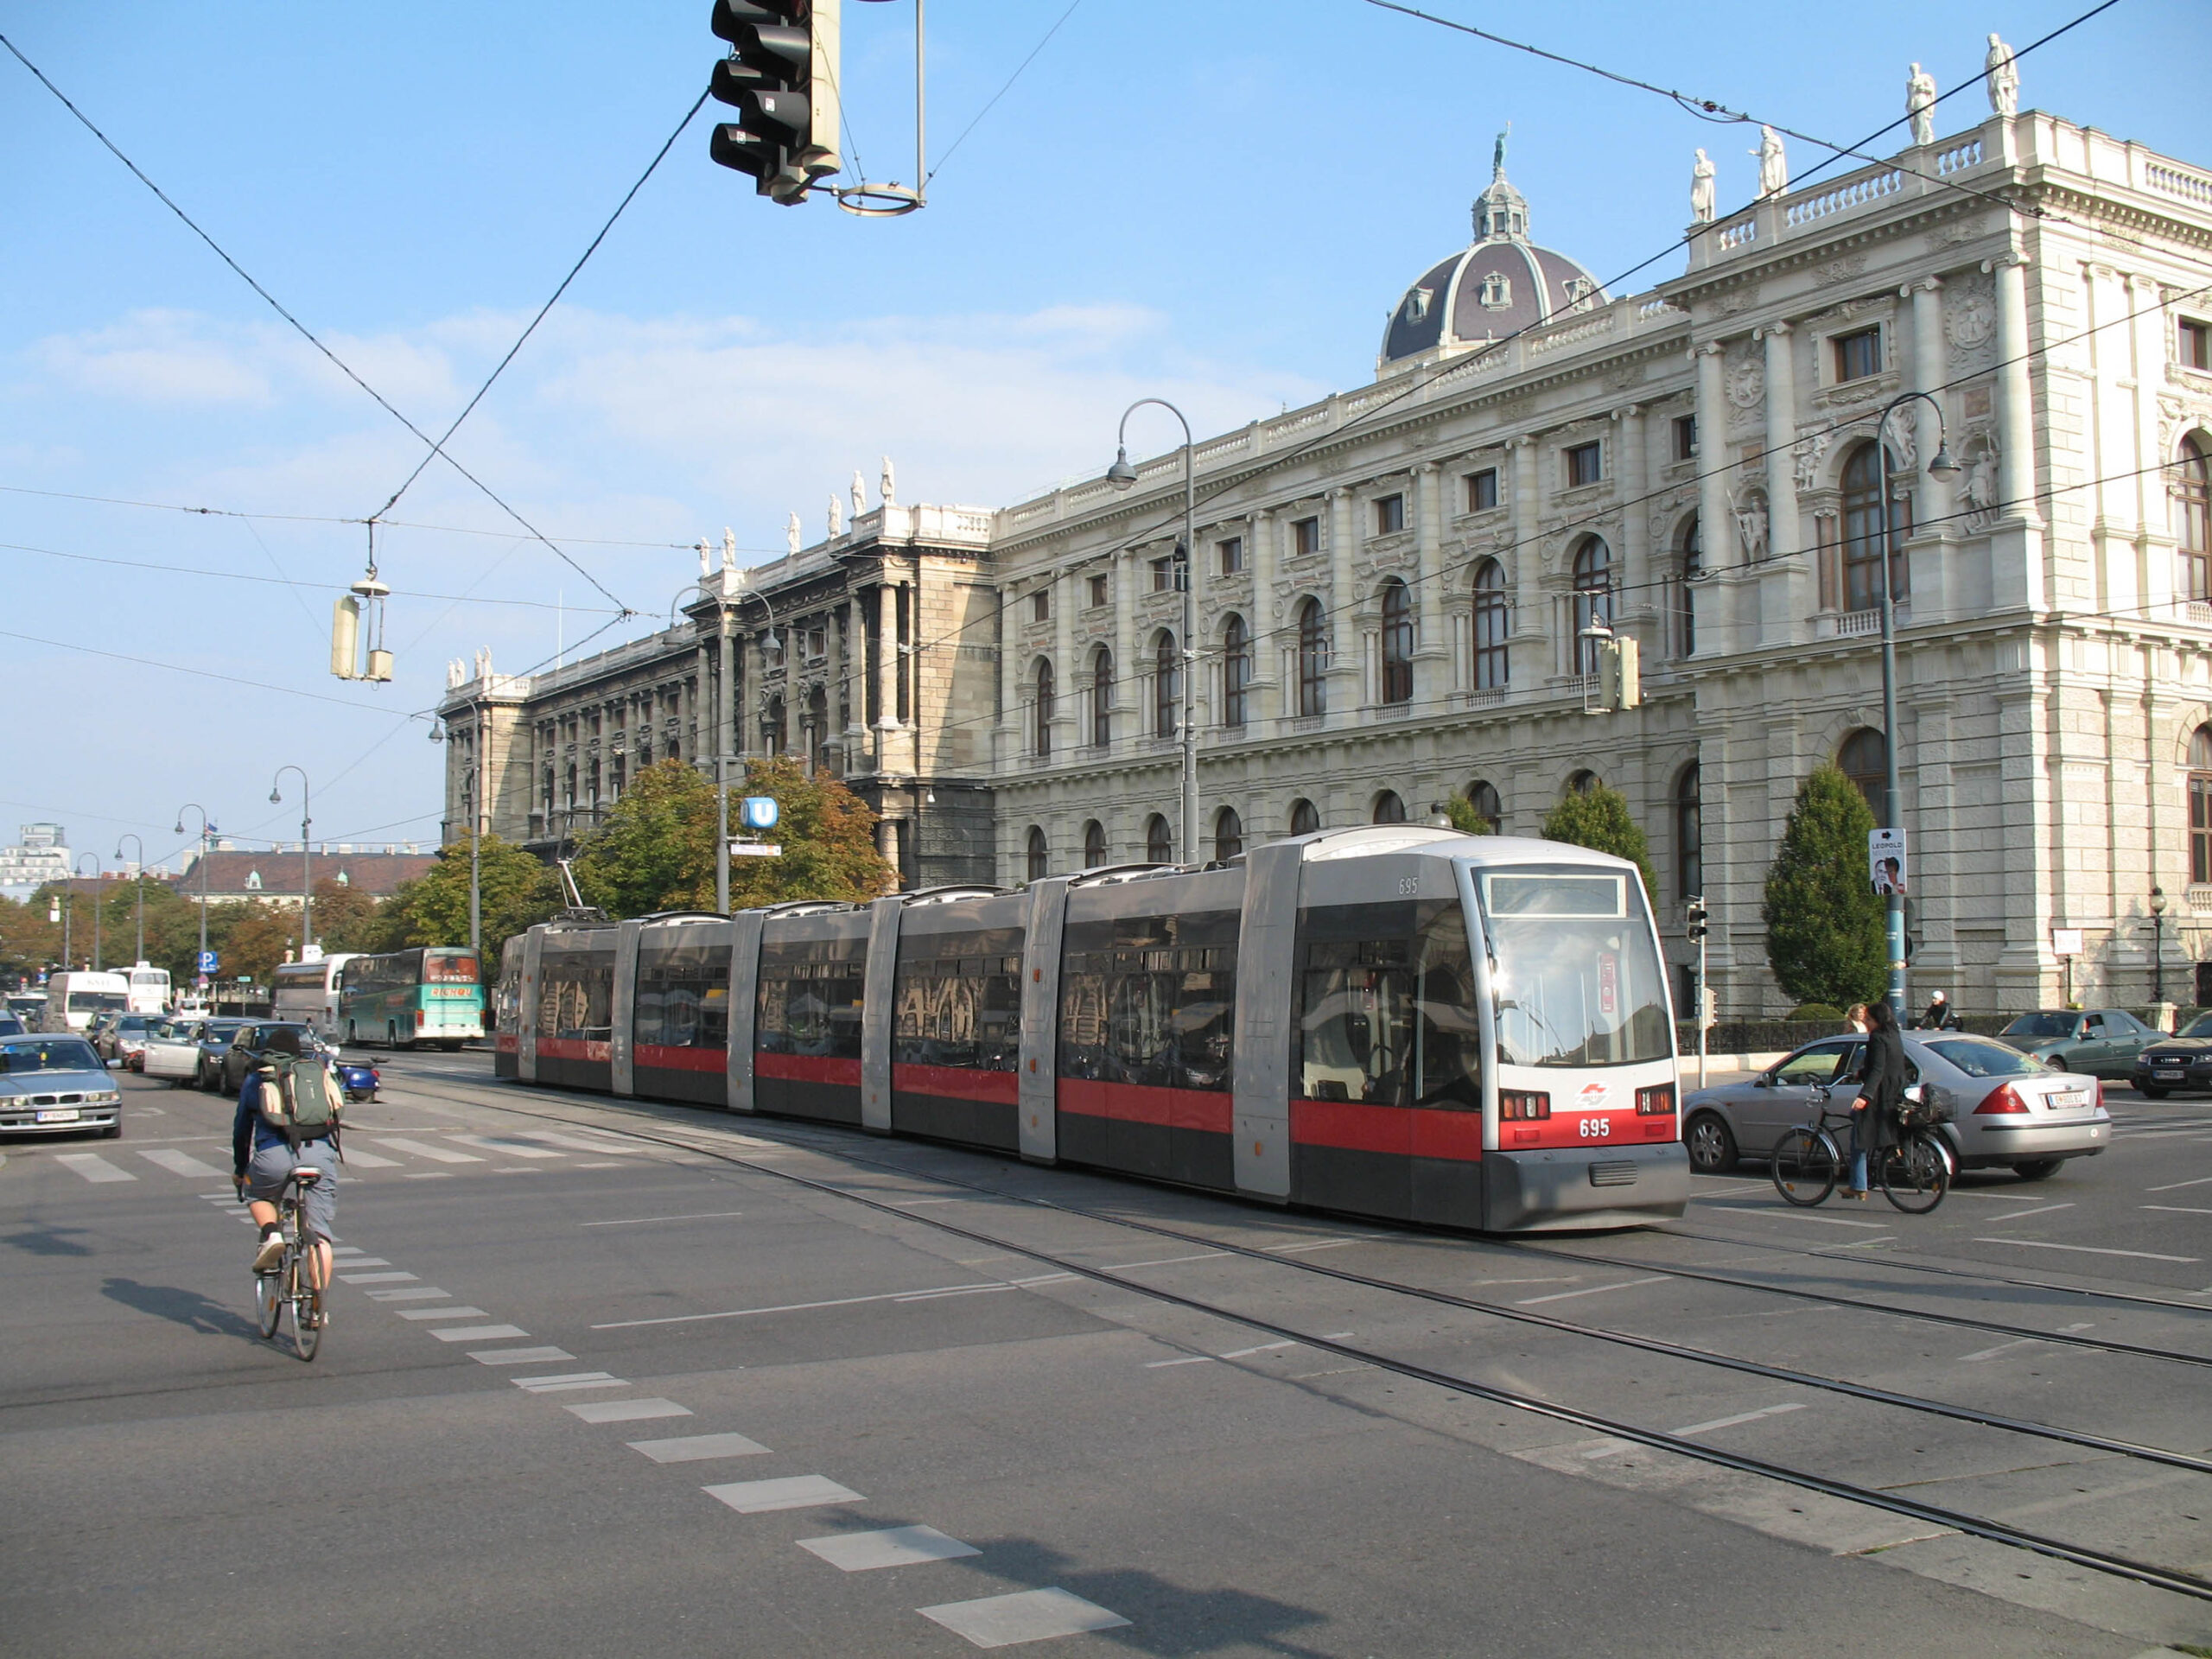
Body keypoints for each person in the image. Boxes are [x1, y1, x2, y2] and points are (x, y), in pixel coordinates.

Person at [232, 1034, 340, 1313]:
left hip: (274, 1157)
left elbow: (242, 1130)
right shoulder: (312, 1074)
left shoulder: (257, 1079)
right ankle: (318, 1307)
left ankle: (272, 1235)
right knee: (320, 1235)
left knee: (257, 1194)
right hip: (318, 1154)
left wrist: (240, 1169)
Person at [1845, 1000, 1907, 1199]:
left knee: (1859, 1137)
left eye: (1869, 1019)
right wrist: (1859, 1074)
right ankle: (1888, 1153)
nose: (1867, 1023)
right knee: (1873, 1128)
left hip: (1880, 1093)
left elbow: (1878, 1069)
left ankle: (1858, 1185)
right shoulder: (1894, 1035)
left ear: (1878, 1020)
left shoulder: (1877, 1038)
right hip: (1894, 1090)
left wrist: (1865, 1096)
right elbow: (1884, 1065)